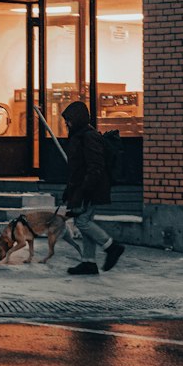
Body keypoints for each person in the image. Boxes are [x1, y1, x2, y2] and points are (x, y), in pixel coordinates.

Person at [59, 100, 125, 276]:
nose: (67, 123)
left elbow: (95, 166)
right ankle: (88, 262)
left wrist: (85, 190)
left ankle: (111, 246)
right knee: (83, 222)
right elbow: (77, 169)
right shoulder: (79, 135)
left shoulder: (89, 136)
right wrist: (69, 190)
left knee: (82, 221)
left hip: (90, 188)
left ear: (78, 119)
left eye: (69, 119)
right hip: (82, 187)